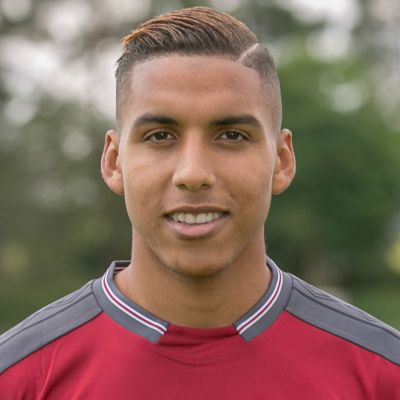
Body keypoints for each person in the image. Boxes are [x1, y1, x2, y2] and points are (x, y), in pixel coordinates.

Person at [0, 6, 399, 399]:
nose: (193, 173)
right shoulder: (20, 378)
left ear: (281, 161)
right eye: (160, 136)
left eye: (232, 136)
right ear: (114, 161)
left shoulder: (381, 375)